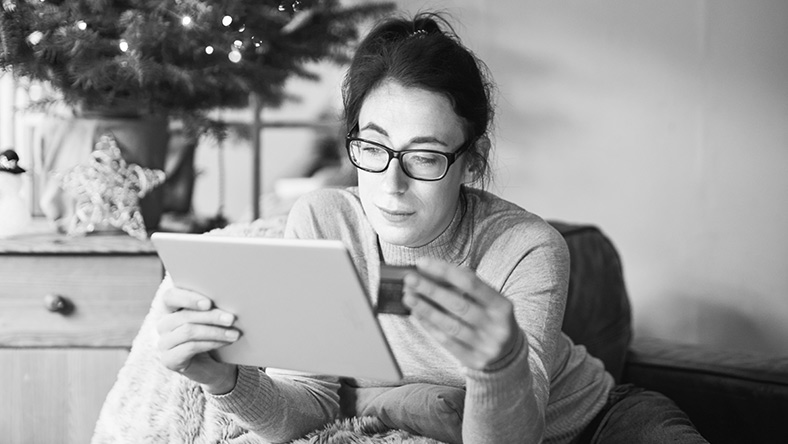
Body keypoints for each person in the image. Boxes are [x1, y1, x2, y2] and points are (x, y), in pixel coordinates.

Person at [156, 12, 709, 444]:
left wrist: (502, 365)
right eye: (372, 147)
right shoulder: (324, 221)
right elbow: (308, 404)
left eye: (424, 156)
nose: (391, 183)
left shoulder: (526, 247)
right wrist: (222, 379)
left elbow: (520, 435)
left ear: (472, 159)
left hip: (597, 424)